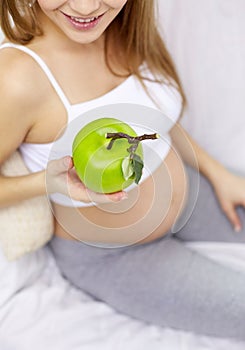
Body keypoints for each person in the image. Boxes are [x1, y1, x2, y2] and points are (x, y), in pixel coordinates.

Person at [0, 0, 245, 340]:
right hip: (118, 257)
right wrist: (45, 182)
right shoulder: (16, 78)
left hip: (192, 194)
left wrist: (219, 174)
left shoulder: (124, 26)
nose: (85, 8)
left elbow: (154, 112)